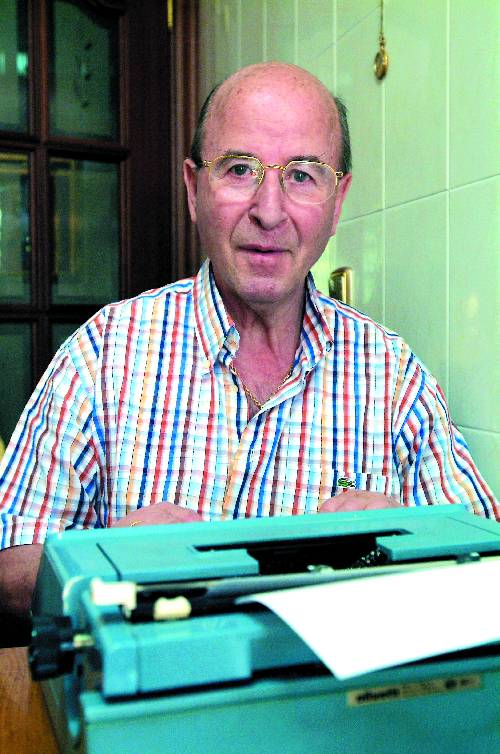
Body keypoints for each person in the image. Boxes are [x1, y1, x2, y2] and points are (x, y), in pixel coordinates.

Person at [0, 62, 497, 623]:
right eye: (239, 170)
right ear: (194, 189)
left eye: (303, 175)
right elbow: (8, 567)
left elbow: (487, 565)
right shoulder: (103, 355)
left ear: (337, 201)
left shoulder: (393, 376)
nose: (269, 211)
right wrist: (107, 557)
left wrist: (410, 539)